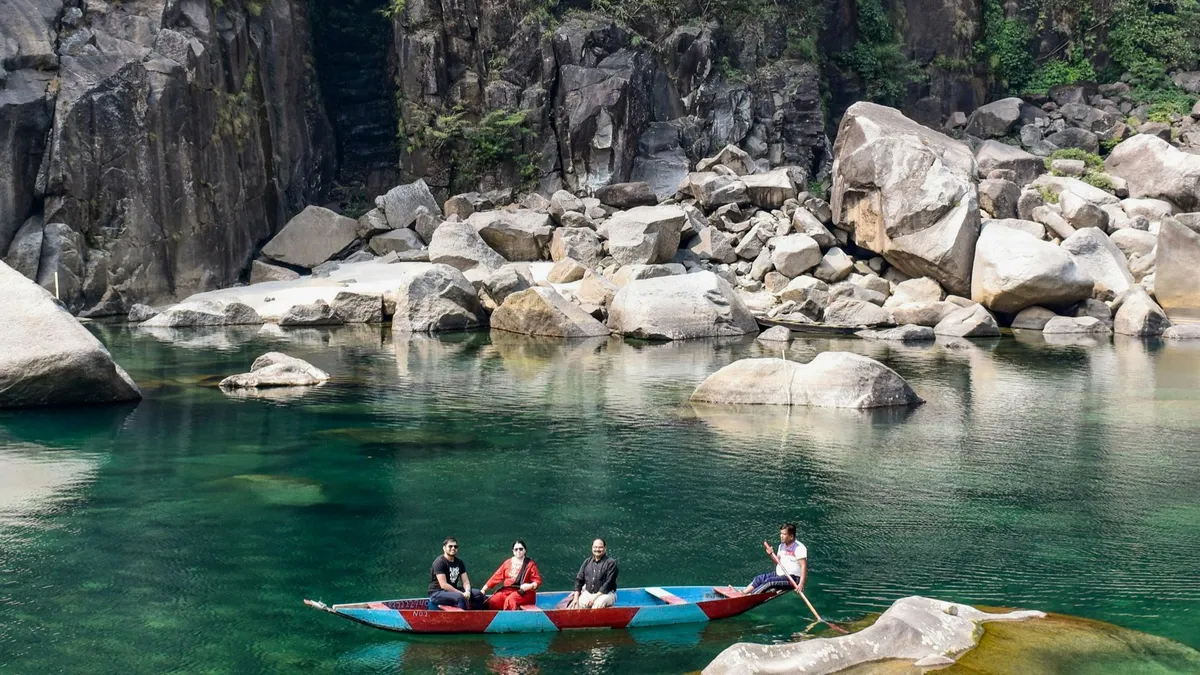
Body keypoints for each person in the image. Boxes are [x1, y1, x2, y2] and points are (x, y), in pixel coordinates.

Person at [742, 523, 807, 594]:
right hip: (779, 574)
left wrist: (801, 584)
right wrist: (770, 554)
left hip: (792, 579)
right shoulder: (781, 546)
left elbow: (803, 566)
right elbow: (777, 562)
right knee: (759, 578)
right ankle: (742, 593)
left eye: (784, 534)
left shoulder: (799, 548)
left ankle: (750, 596)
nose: (781, 536)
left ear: (791, 536)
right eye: (781, 533)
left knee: (770, 582)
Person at [480, 539, 543, 610]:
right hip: (508, 591)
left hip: (524, 593)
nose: (518, 551)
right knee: (494, 600)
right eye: (516, 549)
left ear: (525, 550)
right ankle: (494, 619)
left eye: (521, 549)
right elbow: (496, 577)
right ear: (513, 551)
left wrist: (530, 586)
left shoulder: (530, 564)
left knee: (510, 600)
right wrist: (483, 590)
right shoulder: (507, 562)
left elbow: (537, 581)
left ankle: (512, 619)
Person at [427, 537, 486, 610]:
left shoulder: (459, 562)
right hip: (437, 593)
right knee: (460, 597)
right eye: (450, 546)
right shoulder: (439, 562)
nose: (453, 548)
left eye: (455, 546)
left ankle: (476, 617)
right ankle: (462, 619)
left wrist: (467, 591)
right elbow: (444, 585)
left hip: (452, 591)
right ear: (444, 548)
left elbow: (465, 581)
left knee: (478, 594)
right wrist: (461, 593)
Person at [566, 538, 618, 609]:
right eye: (595, 547)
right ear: (592, 548)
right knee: (574, 607)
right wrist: (576, 598)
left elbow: (608, 584)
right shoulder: (587, 562)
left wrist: (594, 598)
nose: (597, 549)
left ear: (605, 548)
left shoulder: (611, 563)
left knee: (597, 605)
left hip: (606, 594)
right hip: (588, 593)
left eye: (600, 547)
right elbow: (579, 580)